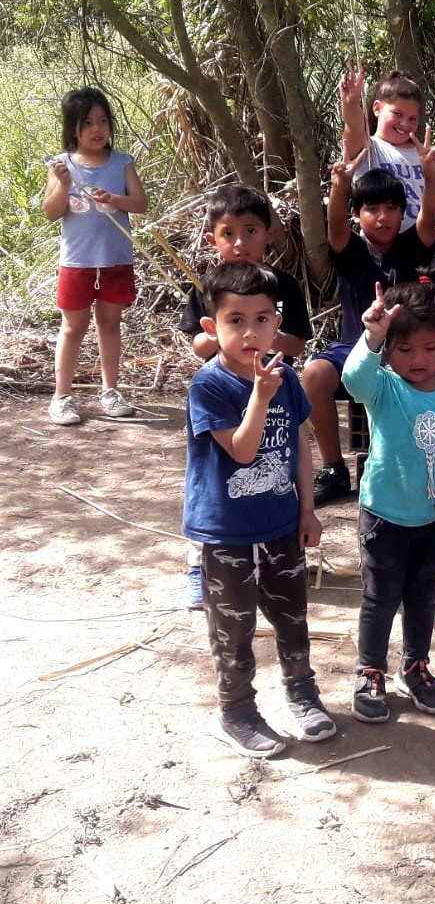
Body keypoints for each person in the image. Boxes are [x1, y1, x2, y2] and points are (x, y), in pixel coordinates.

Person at [183, 260, 335, 758]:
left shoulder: (285, 378)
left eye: (262, 319)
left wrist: (308, 510)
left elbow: (299, 446)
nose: (250, 332)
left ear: (277, 324)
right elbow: (244, 451)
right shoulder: (209, 386)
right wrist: (259, 398)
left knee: (292, 615)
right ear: (212, 327)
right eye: (236, 320)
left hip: (280, 523)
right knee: (234, 625)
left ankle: (301, 692)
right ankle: (236, 710)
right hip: (226, 530)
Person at [343, 281, 435, 723]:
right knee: (380, 598)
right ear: (388, 350)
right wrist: (372, 336)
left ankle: (415, 666)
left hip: (434, 519)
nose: (417, 359)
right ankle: (370, 670)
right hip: (383, 517)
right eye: (404, 349)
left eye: (430, 348)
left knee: (422, 597)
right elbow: (352, 379)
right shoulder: (382, 386)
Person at [179, 183, 312, 609]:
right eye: (229, 233)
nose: (240, 243)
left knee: (271, 458)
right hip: (226, 387)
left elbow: (297, 343)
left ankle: (275, 561)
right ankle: (200, 566)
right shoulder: (207, 287)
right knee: (217, 478)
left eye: (250, 231)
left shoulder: (283, 285)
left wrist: (261, 336)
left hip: (269, 378)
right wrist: (223, 336)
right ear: (212, 239)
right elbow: (197, 344)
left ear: (269, 234)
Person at [302, 143, 435, 507]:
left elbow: (430, 216)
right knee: (314, 374)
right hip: (355, 349)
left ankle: (433, 468)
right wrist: (340, 186)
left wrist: (431, 175)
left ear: (402, 212)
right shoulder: (350, 250)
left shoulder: (414, 246)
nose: (383, 217)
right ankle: (334, 469)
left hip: (405, 352)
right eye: (372, 209)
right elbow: (334, 224)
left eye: (392, 208)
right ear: (357, 214)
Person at [43, 86, 149, 426]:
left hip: (116, 259)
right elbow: (51, 212)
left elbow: (141, 203)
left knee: (110, 324)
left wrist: (115, 199)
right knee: (73, 327)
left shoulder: (122, 162)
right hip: (77, 262)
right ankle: (61, 397)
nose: (97, 128)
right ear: (72, 128)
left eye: (103, 120)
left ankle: (110, 391)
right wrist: (63, 185)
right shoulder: (61, 165)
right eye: (87, 122)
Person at [341, 64, 435, 234]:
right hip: (377, 247)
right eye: (397, 114)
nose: (405, 123)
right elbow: (354, 126)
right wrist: (351, 103)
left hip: (426, 246)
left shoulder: (426, 155)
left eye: (412, 118)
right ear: (377, 108)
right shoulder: (368, 147)